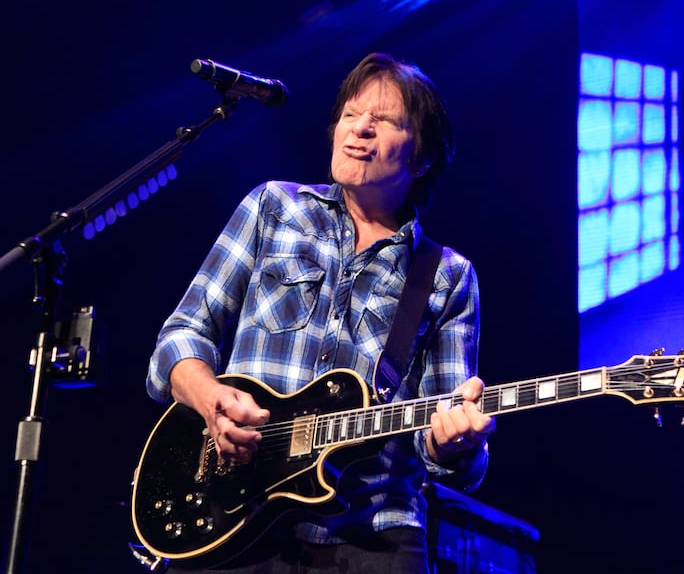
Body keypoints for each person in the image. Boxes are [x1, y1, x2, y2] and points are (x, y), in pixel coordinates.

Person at [145, 51, 495, 573]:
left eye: (384, 120)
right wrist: (210, 398)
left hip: (373, 536)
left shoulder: (447, 275)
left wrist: (457, 445)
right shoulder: (273, 208)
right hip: (232, 518)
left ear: (422, 157)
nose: (360, 128)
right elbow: (182, 334)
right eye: (351, 114)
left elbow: (445, 445)